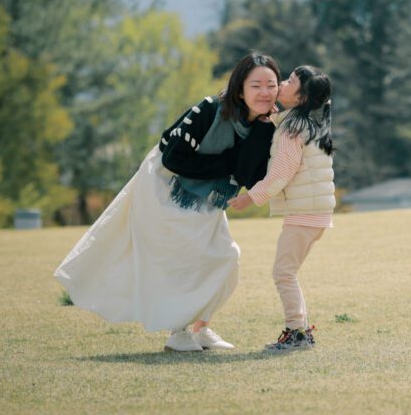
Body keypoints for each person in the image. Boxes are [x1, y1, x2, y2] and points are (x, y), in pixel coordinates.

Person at [54, 52, 280, 352]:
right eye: (256, 85)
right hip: (164, 187)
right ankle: (178, 332)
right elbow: (174, 158)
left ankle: (200, 328)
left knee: (226, 257)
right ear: (240, 90)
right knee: (184, 259)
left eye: (271, 85)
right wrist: (228, 163)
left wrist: (263, 129)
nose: (264, 92)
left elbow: (249, 176)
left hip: (207, 196)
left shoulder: (264, 126)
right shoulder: (209, 109)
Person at [228, 65, 335, 352]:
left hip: (304, 214)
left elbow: (281, 173)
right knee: (288, 272)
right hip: (316, 214)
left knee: (283, 273)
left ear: (301, 98)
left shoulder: (292, 128)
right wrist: (274, 116)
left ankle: (297, 333)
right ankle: (301, 331)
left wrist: (251, 197)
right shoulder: (306, 124)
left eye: (289, 81)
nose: (282, 83)